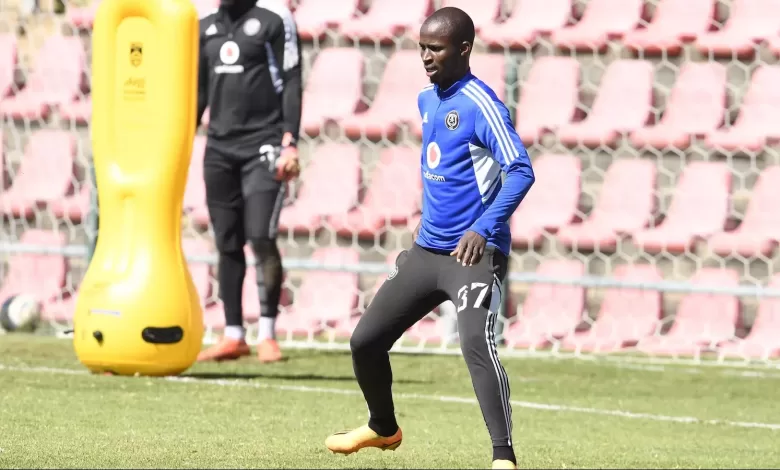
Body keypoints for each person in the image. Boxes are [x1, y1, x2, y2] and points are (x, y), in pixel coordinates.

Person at [324, 7, 535, 470]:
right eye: (421, 47)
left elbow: (521, 170)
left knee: (475, 344)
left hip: (474, 254)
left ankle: (504, 457)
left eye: (435, 48)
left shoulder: (482, 105)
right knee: (365, 342)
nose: (425, 56)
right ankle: (383, 427)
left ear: (464, 49)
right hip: (426, 251)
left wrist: (483, 227)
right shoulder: (427, 99)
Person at [194, 0, 302, 363]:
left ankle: (267, 332)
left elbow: (291, 80)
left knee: (260, 235)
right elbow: (198, 91)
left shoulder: (274, 18)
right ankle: (233, 334)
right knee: (227, 240)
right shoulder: (203, 24)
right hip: (219, 149)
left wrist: (290, 140)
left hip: (265, 145)